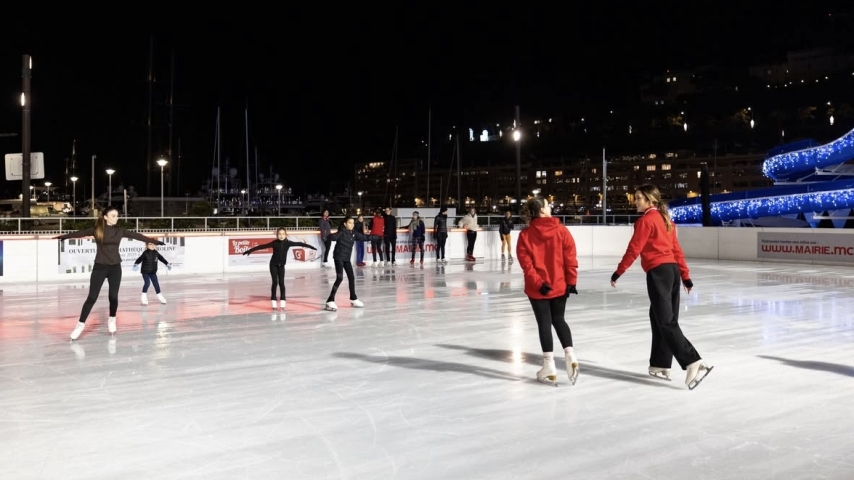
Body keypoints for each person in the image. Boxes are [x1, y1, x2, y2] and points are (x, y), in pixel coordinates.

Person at [610, 184, 712, 390]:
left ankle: (694, 361)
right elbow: (676, 250)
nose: (635, 201)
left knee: (665, 321)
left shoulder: (645, 221)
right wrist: (685, 276)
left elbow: (634, 249)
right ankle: (660, 363)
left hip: (659, 273)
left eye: (638, 198)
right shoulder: (666, 220)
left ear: (649, 200)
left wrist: (619, 271)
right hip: (672, 271)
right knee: (659, 317)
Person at [55, 206, 164, 340]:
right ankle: (80, 324)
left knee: (113, 296)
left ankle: (112, 319)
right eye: (113, 215)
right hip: (100, 267)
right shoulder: (98, 230)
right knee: (92, 298)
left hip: (115, 268)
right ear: (105, 217)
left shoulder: (120, 231)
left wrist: (154, 241)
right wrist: (64, 236)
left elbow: (137, 236)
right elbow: (81, 232)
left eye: (117, 215)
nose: (116, 218)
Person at [516, 197, 580, 386]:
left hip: (538, 290)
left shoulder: (525, 235)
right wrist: (571, 282)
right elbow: (570, 258)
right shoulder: (562, 230)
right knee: (559, 319)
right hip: (560, 285)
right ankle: (570, 355)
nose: (550, 207)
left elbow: (526, 265)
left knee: (544, 323)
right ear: (542, 211)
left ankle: (549, 366)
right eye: (547, 205)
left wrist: (538, 283)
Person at [243, 227, 317, 310]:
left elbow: (300, 244)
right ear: (277, 235)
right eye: (279, 234)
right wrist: (250, 250)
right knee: (275, 282)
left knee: (282, 283)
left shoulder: (288, 243)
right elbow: (261, 246)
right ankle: (274, 303)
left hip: (281, 266)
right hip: (273, 265)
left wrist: (311, 247)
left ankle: (282, 303)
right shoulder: (274, 243)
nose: (281, 236)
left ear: (285, 235)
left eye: (283, 234)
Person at [324, 216, 378, 311]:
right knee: (339, 278)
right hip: (339, 258)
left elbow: (364, 237)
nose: (352, 225)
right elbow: (333, 237)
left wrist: (375, 237)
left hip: (346, 258)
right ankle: (330, 300)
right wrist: (329, 236)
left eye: (353, 223)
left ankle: (353, 298)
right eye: (350, 223)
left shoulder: (353, 233)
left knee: (351, 278)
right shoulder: (341, 233)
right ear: (345, 224)